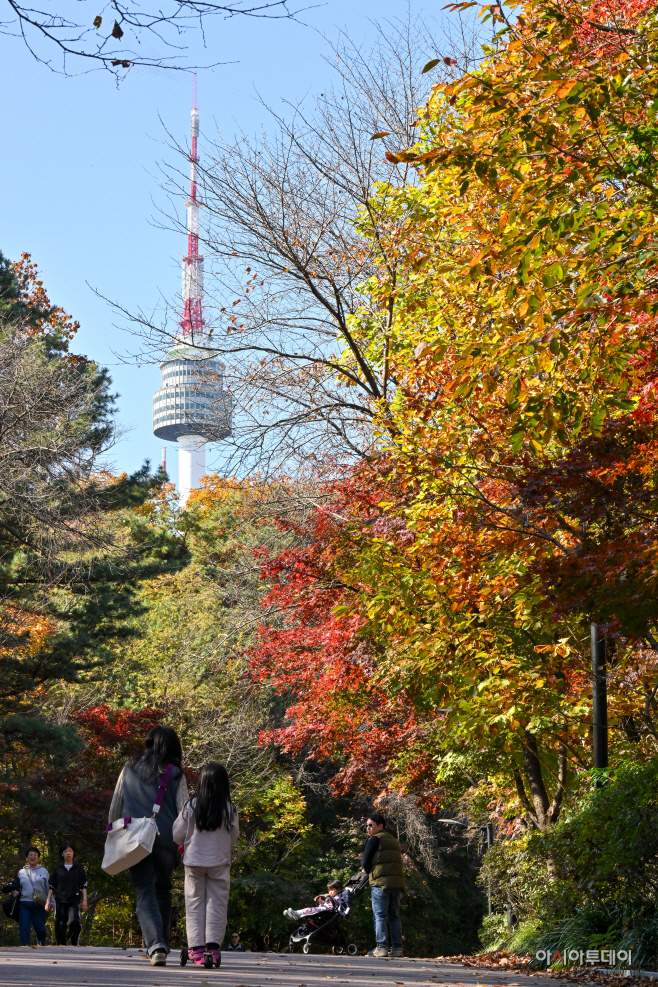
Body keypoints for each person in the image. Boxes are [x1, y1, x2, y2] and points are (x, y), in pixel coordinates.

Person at [108, 725, 189, 967]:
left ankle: (156, 945)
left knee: (144, 891)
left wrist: (112, 833)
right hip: (166, 842)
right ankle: (160, 943)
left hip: (135, 840)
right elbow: (184, 811)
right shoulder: (175, 773)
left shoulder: (129, 767)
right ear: (174, 746)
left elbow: (116, 803)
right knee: (163, 891)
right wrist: (183, 846)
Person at [173, 761, 239, 968]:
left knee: (194, 903)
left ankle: (196, 948)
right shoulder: (230, 809)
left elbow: (177, 834)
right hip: (219, 861)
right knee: (217, 904)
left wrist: (185, 843)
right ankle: (214, 947)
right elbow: (234, 837)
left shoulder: (190, 806)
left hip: (194, 861)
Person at [360, 812, 405, 958]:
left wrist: (366, 870)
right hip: (396, 884)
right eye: (366, 825)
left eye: (370, 825)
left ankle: (382, 947)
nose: (367, 828)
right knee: (394, 917)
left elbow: (365, 861)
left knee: (379, 915)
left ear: (380, 826)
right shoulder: (393, 840)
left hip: (380, 883)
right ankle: (397, 948)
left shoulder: (375, 839)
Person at [45, 842, 88, 946]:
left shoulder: (79, 869)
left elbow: (84, 885)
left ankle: (74, 942)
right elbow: (52, 886)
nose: (68, 853)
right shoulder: (57, 869)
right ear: (62, 854)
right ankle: (61, 945)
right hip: (60, 899)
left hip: (74, 899)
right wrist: (48, 900)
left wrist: (85, 901)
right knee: (60, 923)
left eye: (70, 851)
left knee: (73, 922)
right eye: (65, 851)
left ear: (73, 853)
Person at [15, 847, 49, 946]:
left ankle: (41, 942)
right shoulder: (21, 872)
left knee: (40, 928)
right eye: (30, 855)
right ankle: (25, 946)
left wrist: (49, 901)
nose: (32, 857)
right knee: (24, 926)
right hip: (24, 903)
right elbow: (17, 886)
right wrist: (15, 892)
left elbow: (48, 888)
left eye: (35, 855)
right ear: (27, 857)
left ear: (38, 857)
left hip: (39, 903)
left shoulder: (44, 871)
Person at [283, 880, 351, 923]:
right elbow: (326, 904)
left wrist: (328, 897)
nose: (330, 892)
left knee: (310, 910)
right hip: (324, 909)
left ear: (338, 889)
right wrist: (320, 901)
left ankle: (297, 913)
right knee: (310, 909)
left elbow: (334, 905)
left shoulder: (338, 897)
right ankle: (294, 915)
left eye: (332, 890)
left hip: (328, 912)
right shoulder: (332, 897)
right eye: (329, 890)